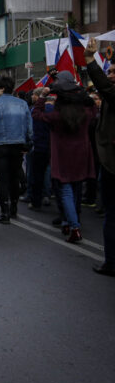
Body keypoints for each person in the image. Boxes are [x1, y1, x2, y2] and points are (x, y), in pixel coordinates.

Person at [32, 72, 97, 243]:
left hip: (63, 156)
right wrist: (84, 95)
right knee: (76, 189)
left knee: (66, 191)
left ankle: (74, 226)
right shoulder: (85, 113)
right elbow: (94, 110)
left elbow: (36, 114)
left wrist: (42, 96)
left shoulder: (57, 116)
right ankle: (69, 222)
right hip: (82, 154)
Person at [0, 74, 33, 224]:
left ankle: (5, 212)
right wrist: (29, 142)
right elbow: (29, 126)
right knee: (14, 177)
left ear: (2, 88)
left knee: (2, 179)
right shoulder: (22, 104)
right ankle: (14, 208)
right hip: (18, 145)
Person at [84, 38, 115, 275]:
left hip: (111, 164)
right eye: (109, 71)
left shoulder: (110, 93)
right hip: (107, 162)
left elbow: (104, 87)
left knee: (112, 216)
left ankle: (111, 262)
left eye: (113, 72)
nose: (110, 75)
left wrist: (90, 60)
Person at [27, 89, 53, 211]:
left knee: (36, 175)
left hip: (39, 146)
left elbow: (32, 128)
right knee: (48, 172)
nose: (32, 96)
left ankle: (35, 201)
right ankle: (47, 195)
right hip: (52, 147)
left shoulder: (36, 111)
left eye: (34, 94)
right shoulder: (56, 110)